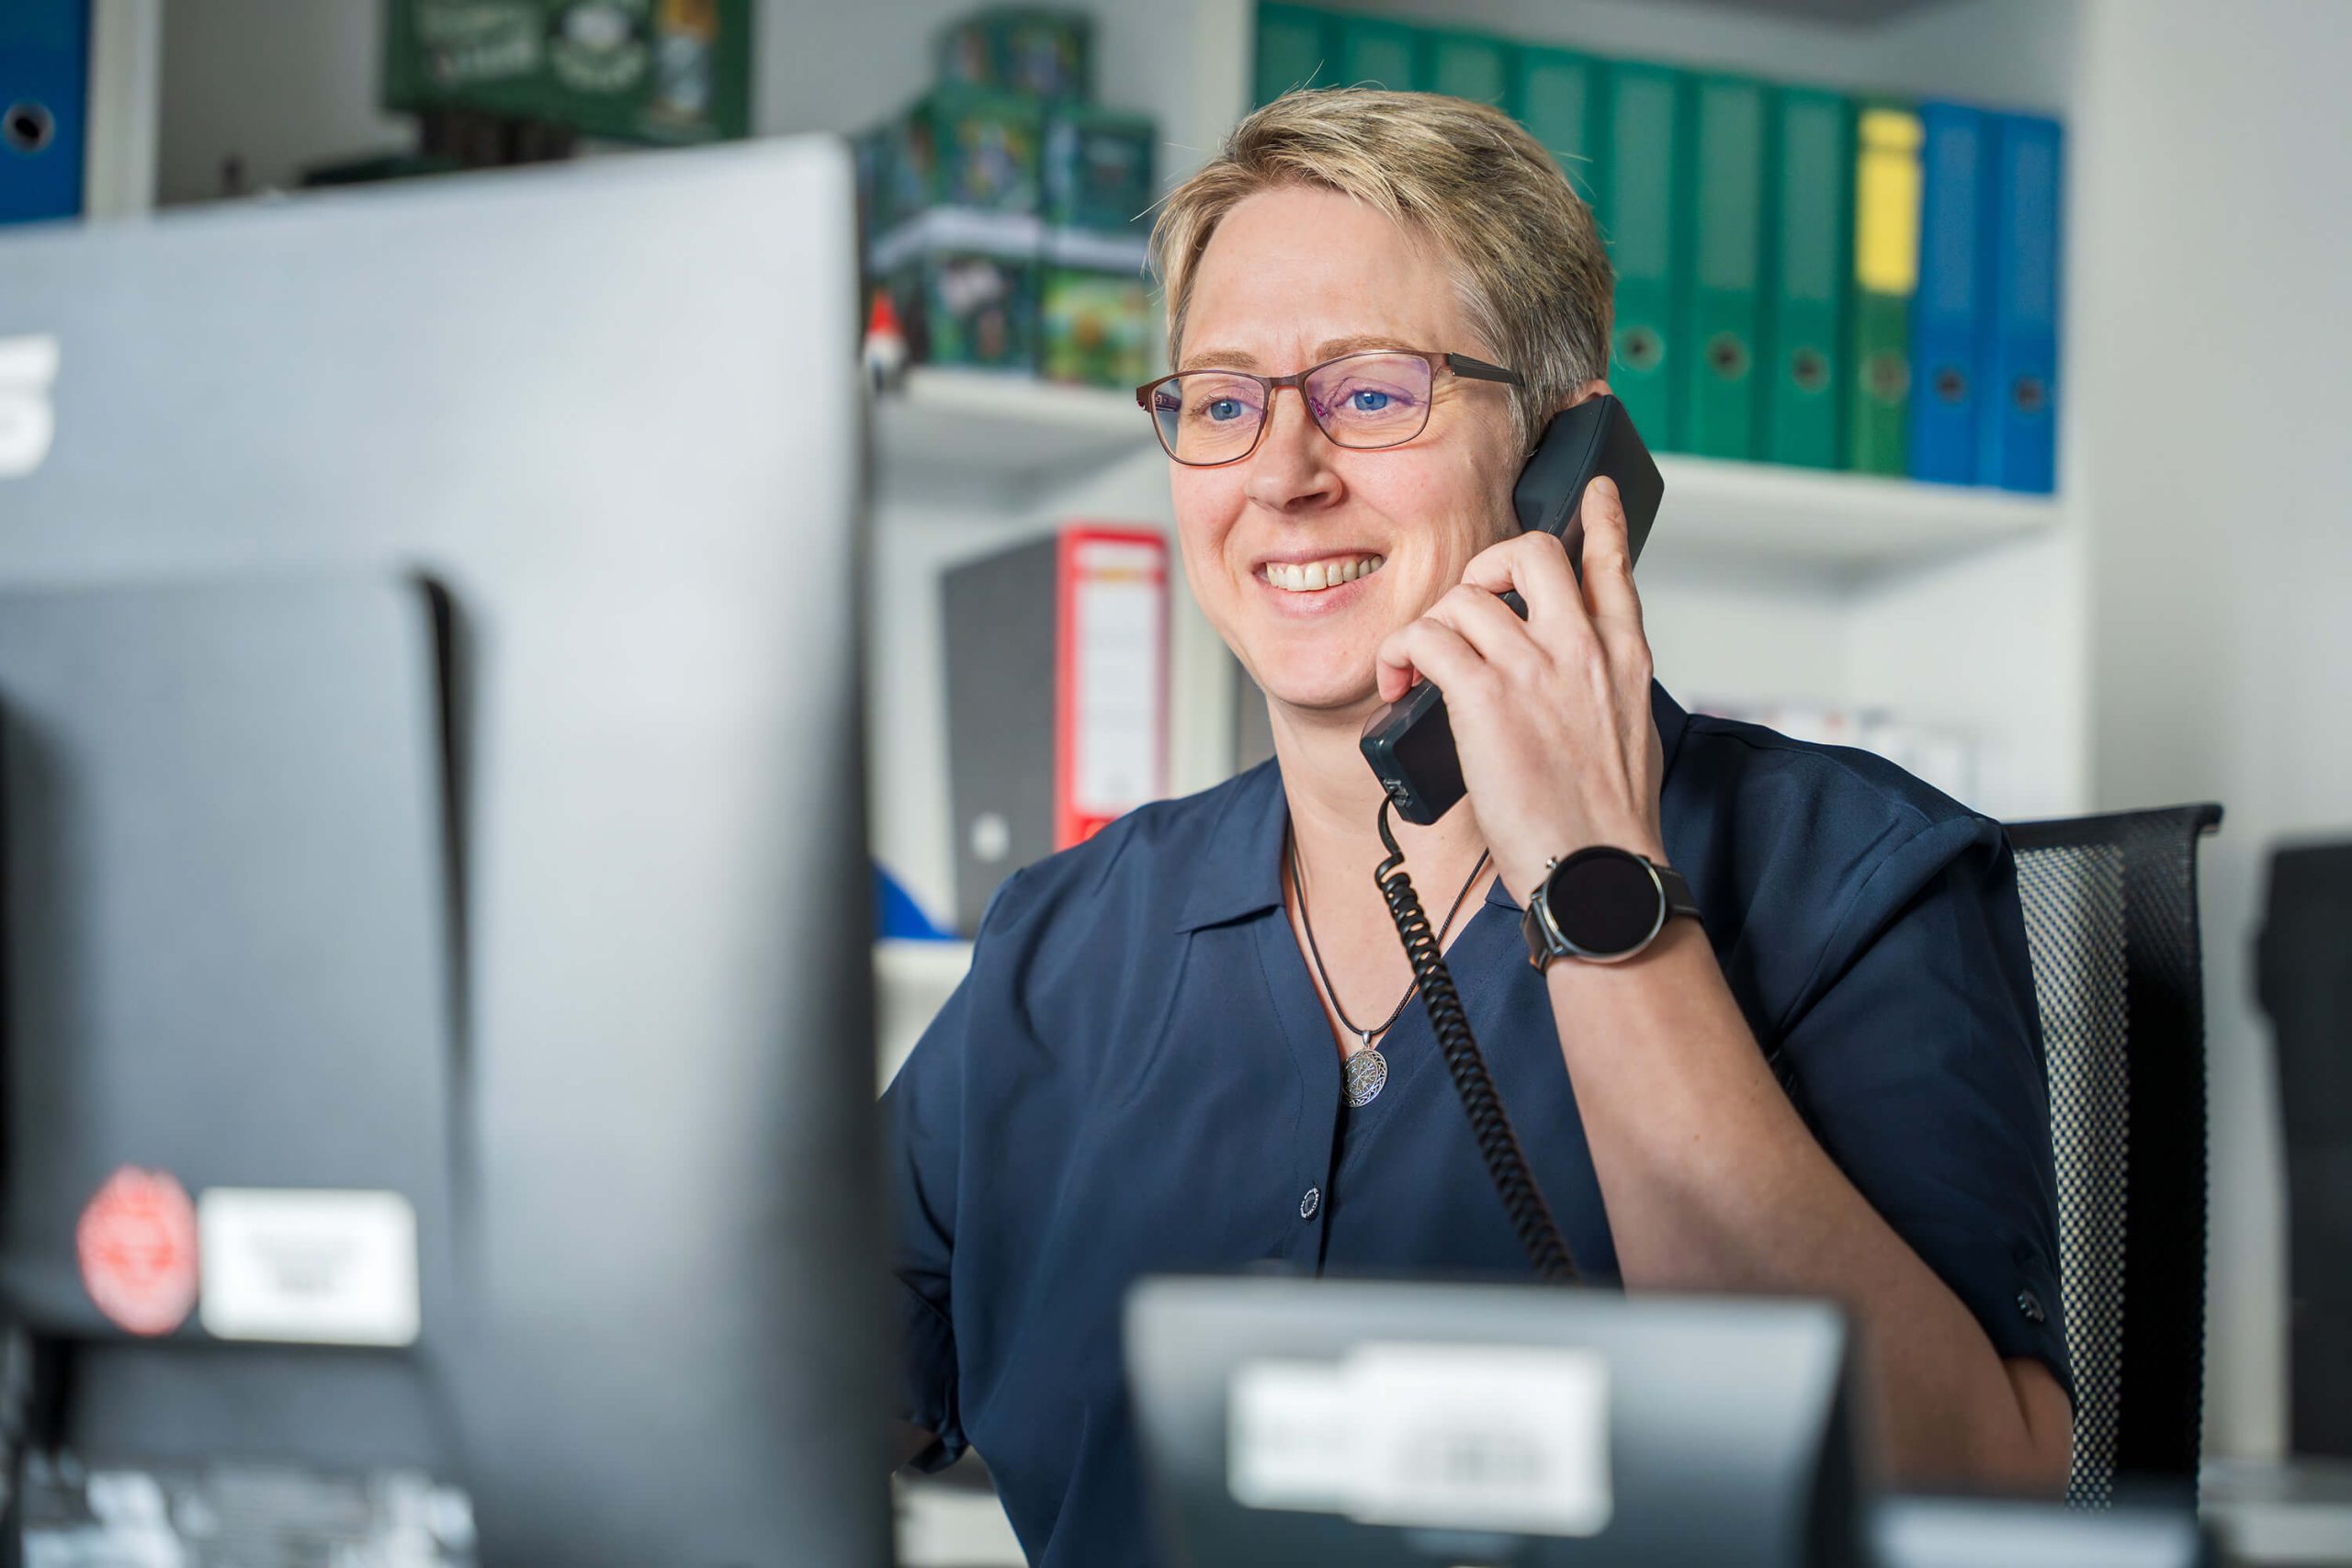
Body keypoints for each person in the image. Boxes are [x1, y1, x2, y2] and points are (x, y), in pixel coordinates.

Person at [884, 88, 2073, 1565]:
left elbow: (1969, 1496)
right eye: (1222, 398)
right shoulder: (1061, 949)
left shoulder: (1852, 877)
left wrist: (1599, 890)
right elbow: (769, 1377)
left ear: (1566, 469)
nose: (1280, 475)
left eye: (1373, 393)